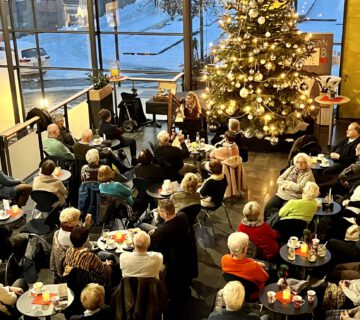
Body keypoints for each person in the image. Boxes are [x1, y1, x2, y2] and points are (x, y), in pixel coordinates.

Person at [149, 199, 198, 301]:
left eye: (159, 211)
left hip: (173, 260)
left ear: (165, 214)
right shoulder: (183, 216)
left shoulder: (162, 231)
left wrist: (155, 232)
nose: (158, 212)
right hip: (186, 253)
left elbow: (151, 245)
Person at [264, 152, 315, 218]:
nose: (300, 164)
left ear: (307, 163)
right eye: (298, 162)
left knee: (282, 213)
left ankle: (275, 226)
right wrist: (291, 185)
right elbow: (279, 180)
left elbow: (299, 188)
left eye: (303, 162)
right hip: (281, 194)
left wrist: (287, 183)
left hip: (293, 198)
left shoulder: (308, 174)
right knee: (268, 207)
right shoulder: (291, 168)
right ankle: (266, 225)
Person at [221, 232, 269, 299]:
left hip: (240, 291)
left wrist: (254, 263)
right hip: (254, 293)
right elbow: (265, 278)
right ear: (245, 249)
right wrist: (256, 264)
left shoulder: (224, 259)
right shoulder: (253, 267)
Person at [50, 207, 92, 279]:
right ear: (70, 223)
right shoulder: (72, 236)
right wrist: (87, 225)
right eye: (77, 219)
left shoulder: (62, 229)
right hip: (75, 262)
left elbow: (80, 232)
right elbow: (88, 246)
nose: (79, 221)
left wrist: (86, 224)